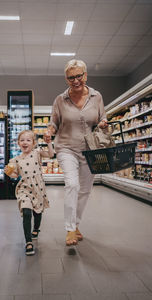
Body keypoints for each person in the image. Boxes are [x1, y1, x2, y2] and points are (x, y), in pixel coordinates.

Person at [44, 59, 107, 246]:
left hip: (90, 150)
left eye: (79, 76)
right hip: (66, 148)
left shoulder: (97, 97)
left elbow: (102, 117)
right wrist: (49, 131)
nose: (76, 80)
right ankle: (70, 228)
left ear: (85, 75)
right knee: (72, 184)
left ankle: (76, 224)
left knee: (85, 190)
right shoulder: (60, 99)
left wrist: (103, 123)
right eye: (71, 77)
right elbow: (54, 122)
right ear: (66, 79)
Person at [4, 130, 54, 255]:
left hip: (38, 188)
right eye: (22, 140)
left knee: (38, 211)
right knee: (26, 212)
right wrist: (9, 173)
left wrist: (49, 143)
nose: (25, 142)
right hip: (24, 188)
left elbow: (51, 154)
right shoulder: (15, 160)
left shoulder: (37, 153)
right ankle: (28, 242)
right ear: (18, 143)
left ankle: (36, 229)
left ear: (34, 143)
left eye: (28, 140)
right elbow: (15, 175)